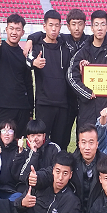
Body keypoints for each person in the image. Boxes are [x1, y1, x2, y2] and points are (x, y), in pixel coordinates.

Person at [26, 10, 71, 150]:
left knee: (59, 144)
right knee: (41, 143)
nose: (54, 29)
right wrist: (33, 62)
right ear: (44, 26)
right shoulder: (37, 47)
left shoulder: (65, 49)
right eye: (51, 25)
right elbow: (26, 60)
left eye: (57, 25)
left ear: (60, 27)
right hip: (44, 104)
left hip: (62, 105)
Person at [0, 14, 34, 138]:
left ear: (22, 32)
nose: (14, 32)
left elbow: (28, 84)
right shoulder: (0, 48)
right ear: (6, 30)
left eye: (18, 29)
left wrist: (30, 111)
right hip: (3, 106)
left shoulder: (23, 55)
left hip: (22, 108)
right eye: (11, 28)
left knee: (17, 144)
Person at [12, 118, 60, 186]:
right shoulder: (24, 152)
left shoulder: (54, 148)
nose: (35, 139)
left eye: (39, 135)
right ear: (28, 137)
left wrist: (38, 176)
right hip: (29, 188)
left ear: (44, 136)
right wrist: (33, 153)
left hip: (49, 186)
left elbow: (56, 170)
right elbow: (22, 177)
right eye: (32, 136)